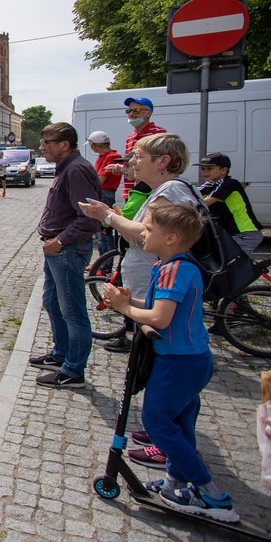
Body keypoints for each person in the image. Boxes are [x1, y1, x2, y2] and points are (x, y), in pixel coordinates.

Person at [102, 203, 239, 523]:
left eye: (149, 230)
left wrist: (127, 309)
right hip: (190, 359)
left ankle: (211, 493)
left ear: (171, 238)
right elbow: (154, 307)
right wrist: (124, 301)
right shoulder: (174, 265)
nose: (143, 233)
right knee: (179, 424)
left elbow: (159, 319)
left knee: (158, 422)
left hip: (179, 362)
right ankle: (177, 482)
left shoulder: (176, 270)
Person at [80, 133, 202, 467]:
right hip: (152, 287)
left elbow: (143, 233)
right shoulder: (162, 191)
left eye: (139, 156)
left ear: (163, 161)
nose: (133, 161)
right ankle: (164, 430)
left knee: (160, 365)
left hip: (156, 292)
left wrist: (107, 215)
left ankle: (168, 440)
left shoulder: (171, 192)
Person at [29, 123, 102, 389]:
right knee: (53, 302)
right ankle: (61, 354)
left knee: (72, 310)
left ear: (65, 144)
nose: (42, 147)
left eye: (47, 142)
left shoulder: (76, 169)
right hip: (57, 249)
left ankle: (73, 370)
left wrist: (60, 240)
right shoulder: (68, 168)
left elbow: (90, 219)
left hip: (66, 249)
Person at [196, 152, 263, 254]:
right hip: (230, 233)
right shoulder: (209, 184)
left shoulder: (229, 184)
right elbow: (192, 194)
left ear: (223, 170)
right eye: (203, 169)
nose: (205, 172)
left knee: (232, 264)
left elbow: (205, 202)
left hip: (245, 234)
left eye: (209, 169)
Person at [87, 131, 122, 274]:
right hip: (102, 193)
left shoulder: (112, 157)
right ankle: (101, 263)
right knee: (99, 233)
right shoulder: (103, 157)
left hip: (105, 194)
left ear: (95, 145)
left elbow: (100, 180)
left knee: (104, 233)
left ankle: (105, 267)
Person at [118, 97, 166, 200]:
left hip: (147, 189)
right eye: (128, 111)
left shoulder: (157, 133)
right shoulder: (130, 137)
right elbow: (130, 162)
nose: (131, 114)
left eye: (136, 110)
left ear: (148, 113)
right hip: (131, 189)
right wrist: (120, 168)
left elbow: (158, 162)